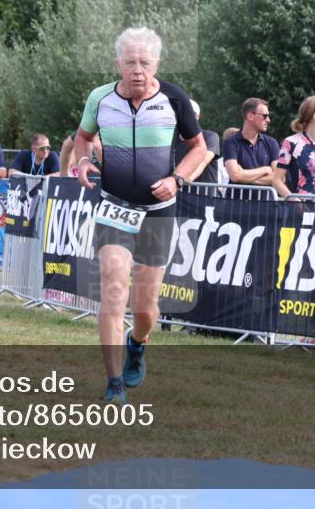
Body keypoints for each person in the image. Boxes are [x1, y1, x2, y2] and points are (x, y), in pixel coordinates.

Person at [73, 27, 205, 405]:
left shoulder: (174, 99)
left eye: (144, 62)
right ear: (117, 63)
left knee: (145, 309)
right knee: (113, 289)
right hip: (114, 207)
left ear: (156, 64)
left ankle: (138, 342)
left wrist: (177, 179)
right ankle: (114, 383)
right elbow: (82, 137)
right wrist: (83, 160)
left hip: (158, 212)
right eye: (129, 62)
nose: (136, 70)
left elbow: (199, 149)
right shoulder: (100, 99)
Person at [223, 98, 280, 188]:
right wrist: (265, 170)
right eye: (265, 116)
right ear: (250, 116)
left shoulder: (272, 143)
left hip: (264, 202)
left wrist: (244, 176)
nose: (268, 120)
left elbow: (279, 179)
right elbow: (235, 176)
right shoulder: (231, 142)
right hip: (237, 201)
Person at [175, 100, 220, 184]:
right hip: (180, 195)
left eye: (189, 114)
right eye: (180, 114)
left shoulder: (210, 136)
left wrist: (183, 179)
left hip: (205, 195)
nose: (184, 118)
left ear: (197, 117)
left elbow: (203, 161)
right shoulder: (172, 140)